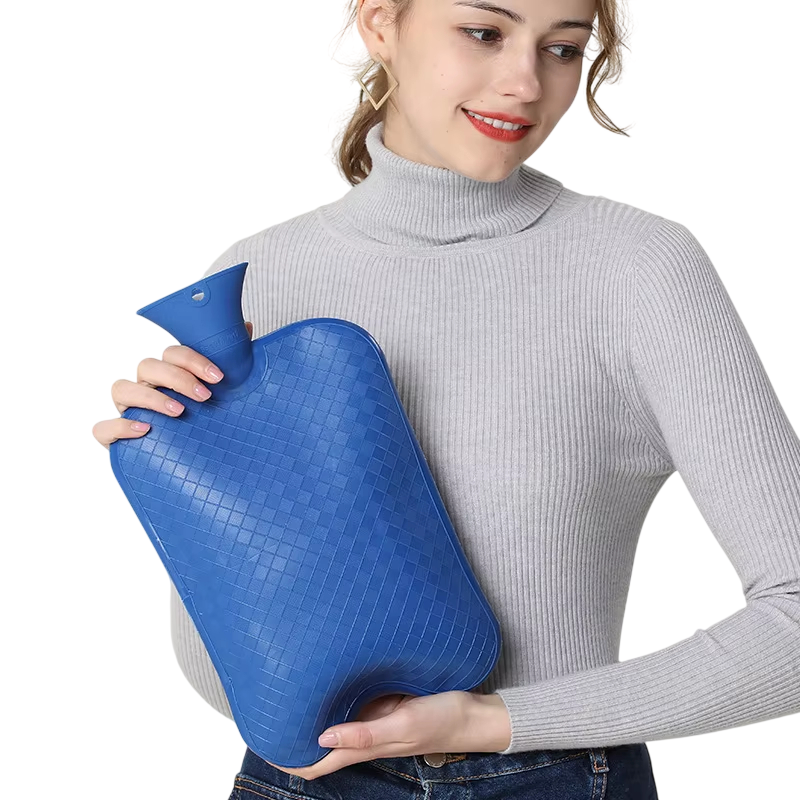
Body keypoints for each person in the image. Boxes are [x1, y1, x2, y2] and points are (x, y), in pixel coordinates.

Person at [92, 0, 800, 797]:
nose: (525, 83)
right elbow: (226, 666)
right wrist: (182, 471)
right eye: (485, 33)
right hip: (299, 782)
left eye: (564, 49)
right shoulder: (260, 273)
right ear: (381, 22)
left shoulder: (636, 269)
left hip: (553, 780)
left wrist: (490, 723)